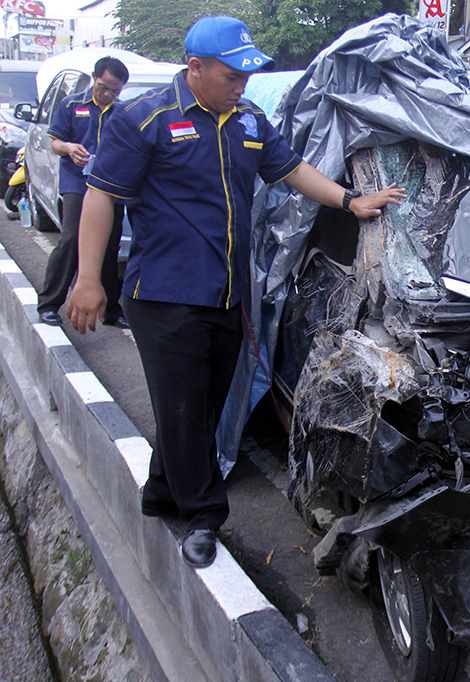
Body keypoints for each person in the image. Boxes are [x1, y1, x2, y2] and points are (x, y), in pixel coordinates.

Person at [65, 16, 406, 569]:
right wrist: (86, 279)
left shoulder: (247, 118)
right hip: (164, 295)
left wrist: (349, 200)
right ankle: (203, 516)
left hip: (226, 294)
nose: (241, 85)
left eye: (248, 75)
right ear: (195, 68)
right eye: (231, 75)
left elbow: (290, 168)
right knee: (181, 406)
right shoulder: (145, 118)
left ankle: (160, 493)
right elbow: (100, 195)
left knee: (200, 407)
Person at [37, 56, 129, 328]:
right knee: (72, 239)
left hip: (110, 185)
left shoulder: (122, 112)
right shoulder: (71, 104)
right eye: (104, 87)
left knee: (110, 244)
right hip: (77, 182)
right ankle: (50, 303)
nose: (108, 94)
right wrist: (68, 147)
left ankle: (111, 309)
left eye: (115, 91)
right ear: (94, 77)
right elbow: (54, 142)